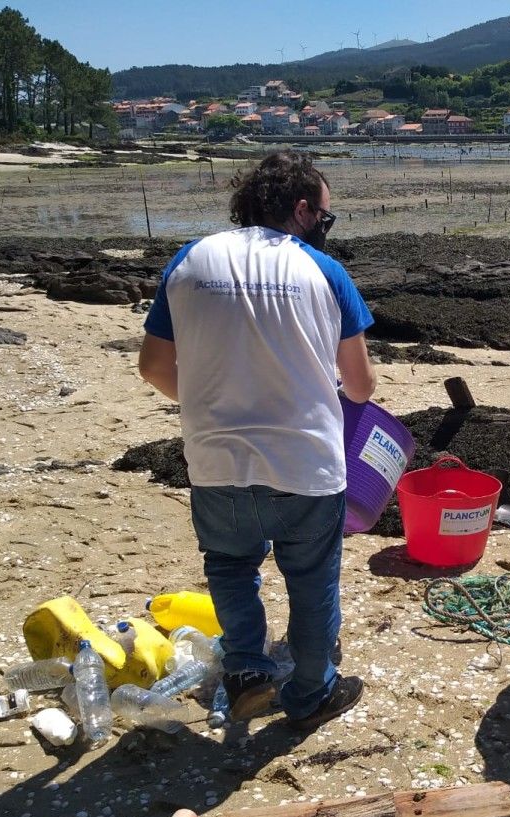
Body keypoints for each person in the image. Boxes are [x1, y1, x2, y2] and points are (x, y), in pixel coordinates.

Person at [137, 150, 377, 731]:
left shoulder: (190, 261)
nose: (326, 224)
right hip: (307, 467)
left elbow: (151, 367)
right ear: (301, 209)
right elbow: (362, 386)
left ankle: (246, 672)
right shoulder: (324, 272)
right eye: (326, 214)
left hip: (216, 460)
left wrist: (204, 404)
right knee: (313, 581)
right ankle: (311, 693)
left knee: (229, 568)